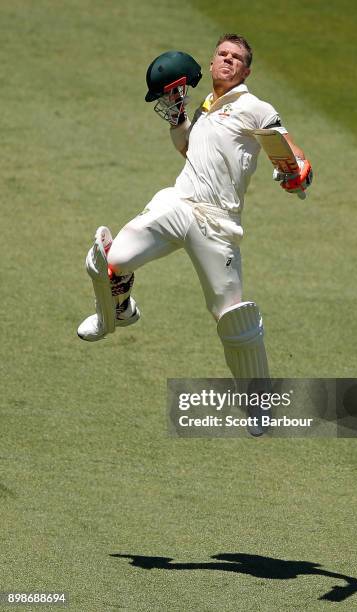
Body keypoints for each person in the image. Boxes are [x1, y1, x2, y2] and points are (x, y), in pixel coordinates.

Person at [77, 34, 312, 385]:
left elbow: (293, 153)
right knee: (110, 259)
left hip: (217, 224)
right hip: (178, 202)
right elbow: (191, 153)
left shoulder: (255, 107)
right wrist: (178, 120)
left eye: (237, 57)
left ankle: (258, 398)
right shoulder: (205, 106)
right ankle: (117, 309)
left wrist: (297, 171)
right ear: (212, 61)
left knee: (231, 318)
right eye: (222, 54)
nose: (228, 60)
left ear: (246, 70)